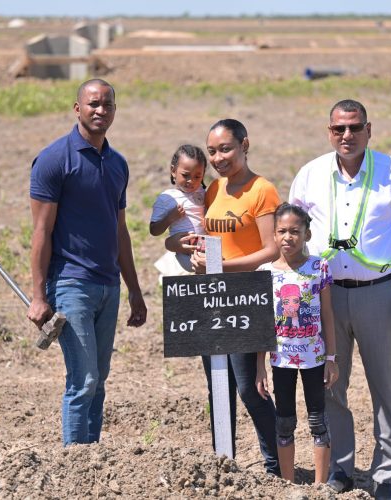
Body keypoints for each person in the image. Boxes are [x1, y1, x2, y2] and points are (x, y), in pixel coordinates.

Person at [289, 99, 391, 499]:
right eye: (338, 129)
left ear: (369, 129)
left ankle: (385, 475)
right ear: (328, 131)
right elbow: (291, 233)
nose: (346, 136)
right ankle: (341, 470)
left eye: (354, 127)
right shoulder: (310, 175)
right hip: (325, 297)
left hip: (379, 295)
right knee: (330, 383)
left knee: (386, 386)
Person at [28, 79, 147, 446]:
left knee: (99, 379)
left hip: (108, 286)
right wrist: (38, 295)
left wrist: (134, 291)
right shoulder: (54, 160)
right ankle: (73, 464)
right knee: (83, 380)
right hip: (70, 284)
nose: (100, 110)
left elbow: (120, 232)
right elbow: (41, 233)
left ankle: (91, 461)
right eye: (93, 104)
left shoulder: (117, 164)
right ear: (77, 108)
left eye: (107, 104)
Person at [175, 118, 282, 475]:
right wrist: (195, 254)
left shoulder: (262, 190)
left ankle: (276, 465)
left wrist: (223, 266)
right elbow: (201, 238)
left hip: (248, 297)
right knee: (217, 385)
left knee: (250, 388)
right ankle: (225, 464)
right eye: (212, 151)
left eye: (226, 149)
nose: (219, 158)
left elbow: (270, 250)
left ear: (244, 145)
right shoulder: (212, 191)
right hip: (212, 297)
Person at [255, 203, 339, 484]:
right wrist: (259, 367)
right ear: (274, 234)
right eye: (282, 231)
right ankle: (288, 484)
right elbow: (263, 324)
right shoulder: (265, 272)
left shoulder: (319, 267)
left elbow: (327, 315)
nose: (288, 237)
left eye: (295, 231)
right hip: (281, 361)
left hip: (314, 358)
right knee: (284, 423)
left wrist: (331, 358)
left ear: (307, 234)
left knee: (318, 421)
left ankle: (319, 485)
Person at [149, 144, 207, 276]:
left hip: (206, 248)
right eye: (185, 175)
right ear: (173, 170)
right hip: (185, 253)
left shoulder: (204, 193)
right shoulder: (167, 198)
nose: (191, 181)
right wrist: (170, 218)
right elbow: (154, 230)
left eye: (197, 176)